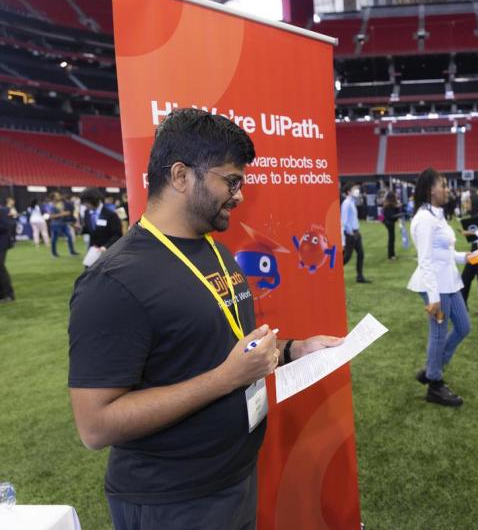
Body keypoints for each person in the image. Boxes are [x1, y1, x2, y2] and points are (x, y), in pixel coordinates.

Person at [68, 109, 342, 529]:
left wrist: (293, 350)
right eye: (231, 181)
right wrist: (225, 379)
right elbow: (95, 425)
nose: (239, 195)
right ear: (181, 176)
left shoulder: (214, 248)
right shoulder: (113, 282)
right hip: (172, 501)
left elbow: (222, 346)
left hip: (232, 480)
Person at [408, 168, 472, 407]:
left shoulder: (437, 214)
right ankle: (435, 384)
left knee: (464, 327)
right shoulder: (424, 219)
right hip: (435, 286)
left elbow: (443, 253)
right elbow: (425, 259)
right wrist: (433, 296)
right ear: (429, 190)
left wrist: (464, 257)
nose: (447, 189)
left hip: (450, 282)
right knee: (437, 333)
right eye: (443, 185)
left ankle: (432, 368)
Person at [79, 188, 123, 256]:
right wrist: (80, 229)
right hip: (92, 251)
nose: (85, 205)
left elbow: (117, 235)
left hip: (108, 252)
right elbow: (90, 230)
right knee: (89, 266)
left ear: (94, 200)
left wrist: (105, 247)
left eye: (86, 203)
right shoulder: (87, 212)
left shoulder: (111, 214)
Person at [341, 185, 369, 283]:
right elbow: (344, 220)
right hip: (351, 233)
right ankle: (332, 272)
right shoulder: (347, 203)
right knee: (347, 256)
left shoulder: (352, 203)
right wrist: (351, 232)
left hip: (356, 232)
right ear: (348, 191)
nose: (357, 191)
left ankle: (360, 277)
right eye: (354, 190)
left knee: (360, 254)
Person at [48, 191, 78, 257]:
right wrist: (63, 214)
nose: (59, 196)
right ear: (53, 197)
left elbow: (64, 212)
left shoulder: (60, 204)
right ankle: (54, 253)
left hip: (63, 223)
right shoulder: (51, 205)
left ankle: (72, 252)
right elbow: (51, 216)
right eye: (57, 195)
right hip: (55, 224)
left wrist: (65, 213)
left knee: (69, 236)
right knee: (54, 239)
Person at [0, 203, 16, 303]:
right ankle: (2, 295)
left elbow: (7, 225)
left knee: (0, 267)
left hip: (2, 242)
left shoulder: (2, 210)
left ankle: (9, 294)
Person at [382, 191, 402, 261]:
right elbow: (391, 216)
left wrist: (398, 208)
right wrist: (400, 214)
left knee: (392, 239)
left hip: (389, 222)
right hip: (389, 222)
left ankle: (392, 254)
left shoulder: (389, 204)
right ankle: (390, 255)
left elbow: (394, 212)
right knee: (391, 239)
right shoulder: (388, 205)